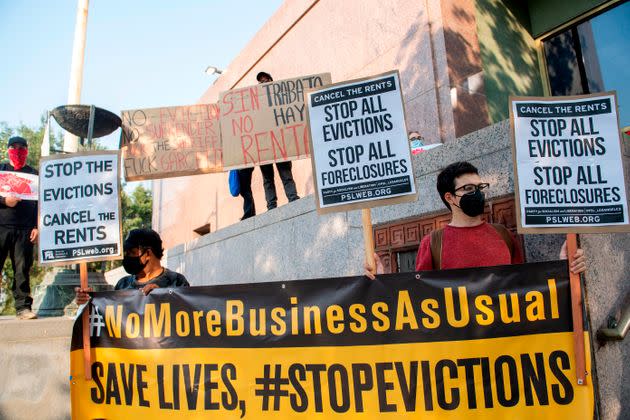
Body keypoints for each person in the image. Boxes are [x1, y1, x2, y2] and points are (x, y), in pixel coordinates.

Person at [365, 161, 585, 278]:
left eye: (480, 187)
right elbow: (419, 299)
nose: (478, 193)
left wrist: (563, 267)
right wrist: (383, 281)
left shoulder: (503, 235)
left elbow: (523, 286)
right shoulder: (432, 244)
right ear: (449, 197)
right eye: (469, 188)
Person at [75, 228, 189, 304]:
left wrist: (163, 296)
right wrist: (88, 303)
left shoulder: (176, 282)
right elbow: (108, 319)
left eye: (131, 252)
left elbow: (191, 315)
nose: (127, 257)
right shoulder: (122, 285)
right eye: (126, 253)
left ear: (148, 254)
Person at [0, 136, 39, 320]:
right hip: (1, 227)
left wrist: (37, 226)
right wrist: (5, 201)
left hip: (25, 230)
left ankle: (23, 308)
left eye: (22, 147)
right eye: (14, 147)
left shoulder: (33, 174)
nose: (18, 151)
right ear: (8, 150)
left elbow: (41, 203)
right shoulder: (1, 170)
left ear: (27, 150)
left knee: (22, 270)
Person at [256, 71, 300, 210]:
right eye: (260, 81)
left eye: (266, 80)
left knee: (286, 174)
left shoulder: (281, 99)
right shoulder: (255, 104)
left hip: (280, 144)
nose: (263, 83)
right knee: (267, 179)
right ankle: (271, 205)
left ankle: (293, 198)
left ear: (271, 80)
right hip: (264, 147)